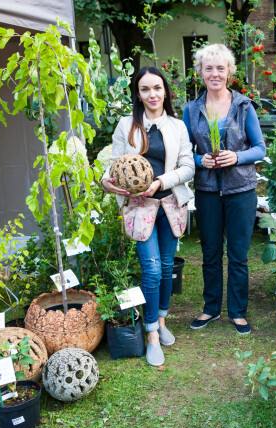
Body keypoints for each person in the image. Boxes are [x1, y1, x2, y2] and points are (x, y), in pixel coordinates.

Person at [101, 67, 195, 366]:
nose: (152, 94)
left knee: (167, 267)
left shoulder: (177, 126)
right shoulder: (126, 124)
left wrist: (160, 182)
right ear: (138, 94)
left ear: (165, 91)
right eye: (145, 89)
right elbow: (115, 164)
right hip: (140, 207)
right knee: (152, 270)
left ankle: (163, 320)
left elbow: (188, 167)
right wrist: (105, 181)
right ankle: (152, 333)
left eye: (157, 88)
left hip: (169, 203)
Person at [182, 44, 266, 335]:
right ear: (200, 72)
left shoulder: (243, 106)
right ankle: (211, 307)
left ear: (229, 72)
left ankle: (238, 311)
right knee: (210, 252)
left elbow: (260, 148)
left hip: (241, 190)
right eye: (209, 68)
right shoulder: (191, 109)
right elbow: (183, 152)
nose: (215, 73)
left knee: (239, 253)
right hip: (207, 190)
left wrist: (237, 156)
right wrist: (198, 159)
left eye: (220, 68)